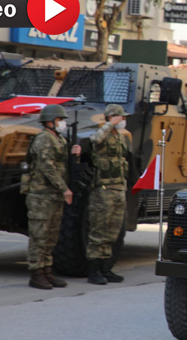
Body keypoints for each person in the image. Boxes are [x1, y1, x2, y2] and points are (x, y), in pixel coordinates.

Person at [24, 104, 81, 289]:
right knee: (39, 235)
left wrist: (75, 154)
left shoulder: (59, 139)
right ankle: (36, 273)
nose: (63, 123)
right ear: (50, 121)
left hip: (53, 195)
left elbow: (63, 164)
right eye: (60, 120)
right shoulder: (43, 139)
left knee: (51, 236)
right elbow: (47, 167)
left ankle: (47, 271)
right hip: (41, 195)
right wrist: (64, 188)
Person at [86, 104, 130, 285]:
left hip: (118, 189)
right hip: (103, 190)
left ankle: (106, 268)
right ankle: (93, 270)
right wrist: (109, 124)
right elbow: (95, 140)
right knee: (99, 231)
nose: (123, 120)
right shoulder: (102, 133)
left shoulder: (119, 137)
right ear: (112, 117)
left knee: (112, 231)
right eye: (121, 117)